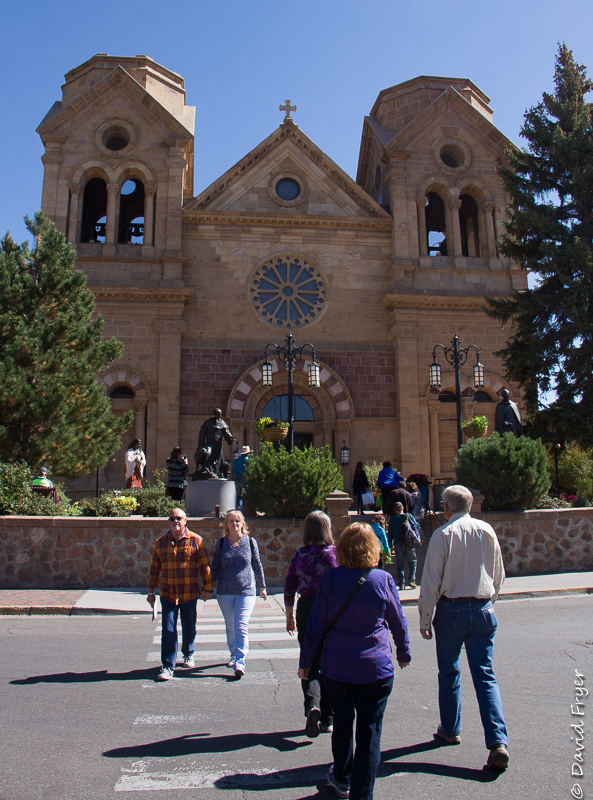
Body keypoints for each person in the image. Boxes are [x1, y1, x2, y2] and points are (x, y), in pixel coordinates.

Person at [299, 522, 411, 800]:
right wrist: (403, 651)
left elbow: (316, 625)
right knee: (370, 733)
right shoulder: (383, 579)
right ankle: (363, 794)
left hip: (336, 667)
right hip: (375, 668)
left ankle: (342, 777)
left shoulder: (330, 580)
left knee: (342, 725)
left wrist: (306, 661)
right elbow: (398, 621)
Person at [418, 484, 509, 771]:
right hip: (483, 608)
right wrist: (488, 598)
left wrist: (425, 617)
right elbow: (498, 574)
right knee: (485, 676)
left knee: (449, 671)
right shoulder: (487, 530)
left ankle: (450, 728)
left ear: (446, 507)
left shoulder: (443, 534)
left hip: (451, 609)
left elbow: (431, 580)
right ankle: (498, 742)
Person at [284, 510, 338, 737]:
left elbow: (289, 586)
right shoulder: (336, 554)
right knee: (330, 663)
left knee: (309, 660)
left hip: (307, 608)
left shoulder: (300, 555)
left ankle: (312, 706)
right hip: (332, 610)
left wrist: (289, 615)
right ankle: (327, 717)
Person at [147, 508, 214, 681]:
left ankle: (188, 652)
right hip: (168, 593)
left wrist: (208, 588)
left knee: (189, 626)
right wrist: (150, 591)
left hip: (189, 592)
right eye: (172, 518)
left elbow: (204, 566)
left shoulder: (196, 541)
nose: (176, 521)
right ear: (168, 522)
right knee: (168, 629)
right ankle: (168, 666)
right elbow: (154, 568)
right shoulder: (160, 543)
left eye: (179, 518)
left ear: (185, 521)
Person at [211, 510, 267, 678]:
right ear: (226, 525)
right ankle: (234, 654)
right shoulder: (221, 544)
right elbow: (214, 566)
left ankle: (240, 662)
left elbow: (257, 564)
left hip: (246, 590)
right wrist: (208, 587)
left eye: (238, 521)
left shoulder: (250, 542)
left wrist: (262, 586)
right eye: (231, 521)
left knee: (241, 624)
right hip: (225, 591)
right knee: (230, 626)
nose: (235, 524)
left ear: (242, 524)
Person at [193, 408, 234, 479]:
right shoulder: (208, 422)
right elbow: (202, 433)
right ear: (214, 414)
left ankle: (218, 472)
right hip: (210, 443)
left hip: (218, 444)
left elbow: (226, 432)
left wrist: (230, 437)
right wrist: (201, 443)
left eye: (220, 414)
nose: (219, 416)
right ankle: (207, 471)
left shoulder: (222, 423)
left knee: (218, 459)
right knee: (208, 455)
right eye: (218, 414)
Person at [387, 502, 417, 590]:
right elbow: (416, 526)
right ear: (402, 508)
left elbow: (390, 534)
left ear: (395, 510)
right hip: (409, 543)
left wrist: (390, 545)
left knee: (400, 564)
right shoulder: (408, 516)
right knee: (412, 561)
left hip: (397, 543)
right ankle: (411, 580)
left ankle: (401, 583)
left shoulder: (392, 519)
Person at [232, 445, 250, 511]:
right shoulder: (249, 461)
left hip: (237, 479)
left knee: (238, 496)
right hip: (245, 479)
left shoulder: (235, 461)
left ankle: (238, 509)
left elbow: (233, 471)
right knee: (245, 496)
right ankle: (244, 510)